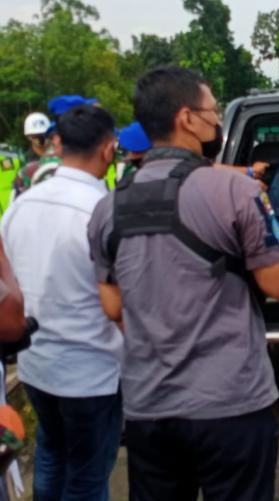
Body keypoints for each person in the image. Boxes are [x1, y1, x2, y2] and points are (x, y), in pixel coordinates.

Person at [87, 66, 279, 501]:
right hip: (231, 404)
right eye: (213, 111)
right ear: (187, 118)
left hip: (149, 407)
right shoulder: (238, 192)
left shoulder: (109, 208)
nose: (218, 121)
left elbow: (112, 307)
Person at [0, 104, 124, 500]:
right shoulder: (103, 211)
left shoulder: (23, 203)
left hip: (36, 364)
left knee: (52, 456)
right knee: (88, 475)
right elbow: (121, 298)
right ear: (108, 150)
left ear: (57, 143)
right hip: (91, 371)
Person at [10, 111, 54, 200]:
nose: (41, 139)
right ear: (28, 137)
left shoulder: (63, 154)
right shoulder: (25, 160)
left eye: (43, 135)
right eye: (35, 136)